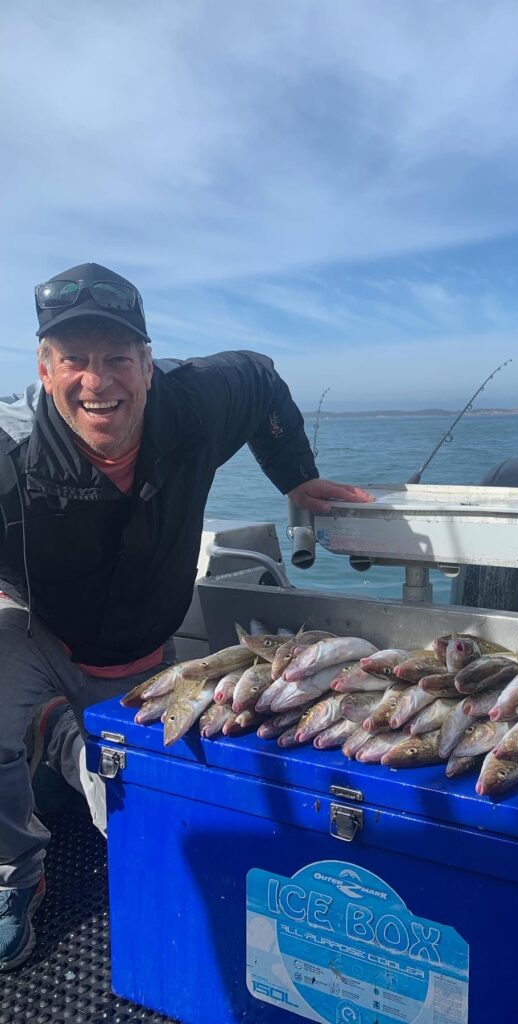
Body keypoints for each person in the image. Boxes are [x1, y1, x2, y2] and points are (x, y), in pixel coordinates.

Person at [0, 262, 372, 971]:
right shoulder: (8, 448)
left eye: (117, 359)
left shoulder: (195, 402)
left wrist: (292, 472)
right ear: (45, 371)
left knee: (137, 815)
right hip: (33, 630)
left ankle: (55, 730)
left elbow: (261, 377)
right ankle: (12, 874)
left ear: (146, 366)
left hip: (139, 652)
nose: (97, 380)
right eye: (74, 360)